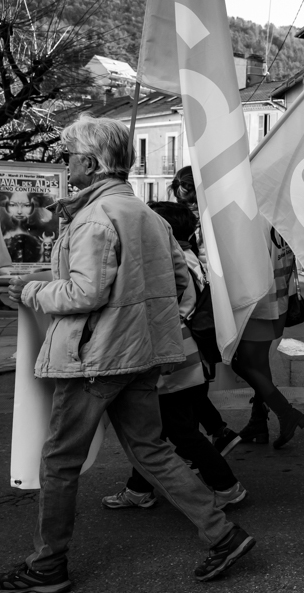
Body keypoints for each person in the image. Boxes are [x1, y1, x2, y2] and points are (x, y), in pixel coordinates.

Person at [0, 116, 255, 593]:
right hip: (143, 353)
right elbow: (181, 285)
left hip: (96, 357)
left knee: (60, 461)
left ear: (89, 163)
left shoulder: (94, 217)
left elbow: (85, 293)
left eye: (70, 158)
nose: (67, 166)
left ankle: (48, 565)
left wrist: (32, 290)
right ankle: (223, 534)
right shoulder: (146, 215)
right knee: (152, 450)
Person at [102, 201, 247, 511]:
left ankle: (227, 486)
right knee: (161, 429)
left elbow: (163, 307)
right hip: (187, 354)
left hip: (172, 356)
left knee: (176, 431)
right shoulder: (189, 256)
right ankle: (138, 488)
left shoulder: (169, 258)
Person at [169, 167, 239, 454]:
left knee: (179, 396)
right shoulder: (189, 233)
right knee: (188, 389)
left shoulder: (212, 225)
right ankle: (217, 432)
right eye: (185, 204)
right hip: (198, 313)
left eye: (194, 202)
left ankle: (201, 456)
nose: (191, 209)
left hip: (197, 316)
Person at [234, 229, 304, 448]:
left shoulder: (250, 215)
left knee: (245, 364)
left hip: (257, 304)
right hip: (278, 299)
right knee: (258, 366)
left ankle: (286, 413)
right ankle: (258, 423)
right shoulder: (273, 211)